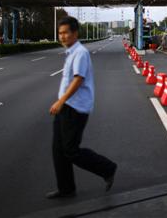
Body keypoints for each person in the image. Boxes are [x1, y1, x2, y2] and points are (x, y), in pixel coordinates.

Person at [45, 16, 117, 199]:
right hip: (65, 107)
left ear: (75, 33)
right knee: (58, 151)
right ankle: (66, 188)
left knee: (71, 151)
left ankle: (107, 168)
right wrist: (61, 103)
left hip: (75, 109)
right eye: (59, 33)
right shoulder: (71, 52)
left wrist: (60, 102)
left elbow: (78, 79)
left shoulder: (80, 53)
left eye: (65, 33)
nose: (62, 37)